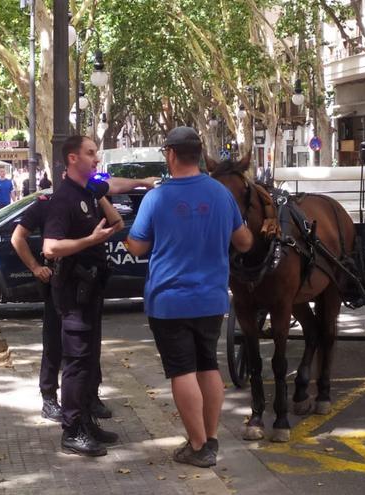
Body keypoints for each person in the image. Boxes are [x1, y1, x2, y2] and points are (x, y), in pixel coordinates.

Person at [126, 127, 253, 468]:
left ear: (169, 154)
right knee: (208, 365)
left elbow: (136, 246)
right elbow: (244, 242)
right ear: (198, 153)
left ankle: (198, 446)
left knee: (182, 371)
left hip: (169, 300)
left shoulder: (157, 197)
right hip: (212, 297)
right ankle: (209, 438)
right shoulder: (221, 194)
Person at [12, 173, 159, 423]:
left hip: (89, 284)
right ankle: (49, 397)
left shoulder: (91, 199)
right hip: (60, 281)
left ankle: (90, 395)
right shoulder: (49, 202)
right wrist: (36, 268)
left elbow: (116, 218)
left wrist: (102, 193)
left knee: (89, 343)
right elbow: (18, 237)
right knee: (54, 342)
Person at [42, 135, 124, 457]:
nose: (97, 159)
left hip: (91, 292)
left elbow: (116, 222)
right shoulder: (63, 199)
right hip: (73, 294)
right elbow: (50, 247)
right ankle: (72, 430)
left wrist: (97, 191)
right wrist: (89, 241)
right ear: (72, 159)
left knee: (89, 360)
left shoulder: (85, 194)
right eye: (90, 154)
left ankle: (87, 423)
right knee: (75, 363)